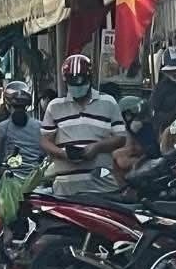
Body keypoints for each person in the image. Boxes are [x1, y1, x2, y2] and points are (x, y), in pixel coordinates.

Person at [41, 55, 126, 197]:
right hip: (66, 187)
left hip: (102, 186)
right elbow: (45, 141)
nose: (77, 88)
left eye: (81, 83)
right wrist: (62, 153)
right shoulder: (54, 106)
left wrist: (97, 147)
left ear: (89, 79)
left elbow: (121, 138)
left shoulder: (108, 102)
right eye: (72, 84)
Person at [0, 81, 41, 178]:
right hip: (36, 178)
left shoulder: (2, 126)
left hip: (10, 178)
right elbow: (45, 153)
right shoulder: (39, 126)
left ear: (8, 104)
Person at [150, 49, 176, 133]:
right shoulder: (160, 88)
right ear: (165, 72)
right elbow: (154, 113)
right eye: (172, 70)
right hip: (166, 129)